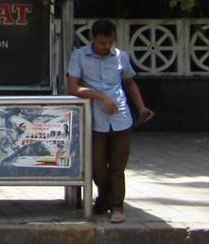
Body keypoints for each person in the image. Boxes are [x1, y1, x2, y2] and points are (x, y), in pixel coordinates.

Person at [66, 19, 154, 223]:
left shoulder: (121, 57)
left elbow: (130, 83)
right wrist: (101, 97)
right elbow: (73, 87)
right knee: (97, 167)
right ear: (92, 39)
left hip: (121, 118)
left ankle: (117, 206)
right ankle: (103, 197)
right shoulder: (79, 56)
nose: (105, 47)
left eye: (109, 43)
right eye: (101, 43)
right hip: (95, 119)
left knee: (117, 167)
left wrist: (141, 107)